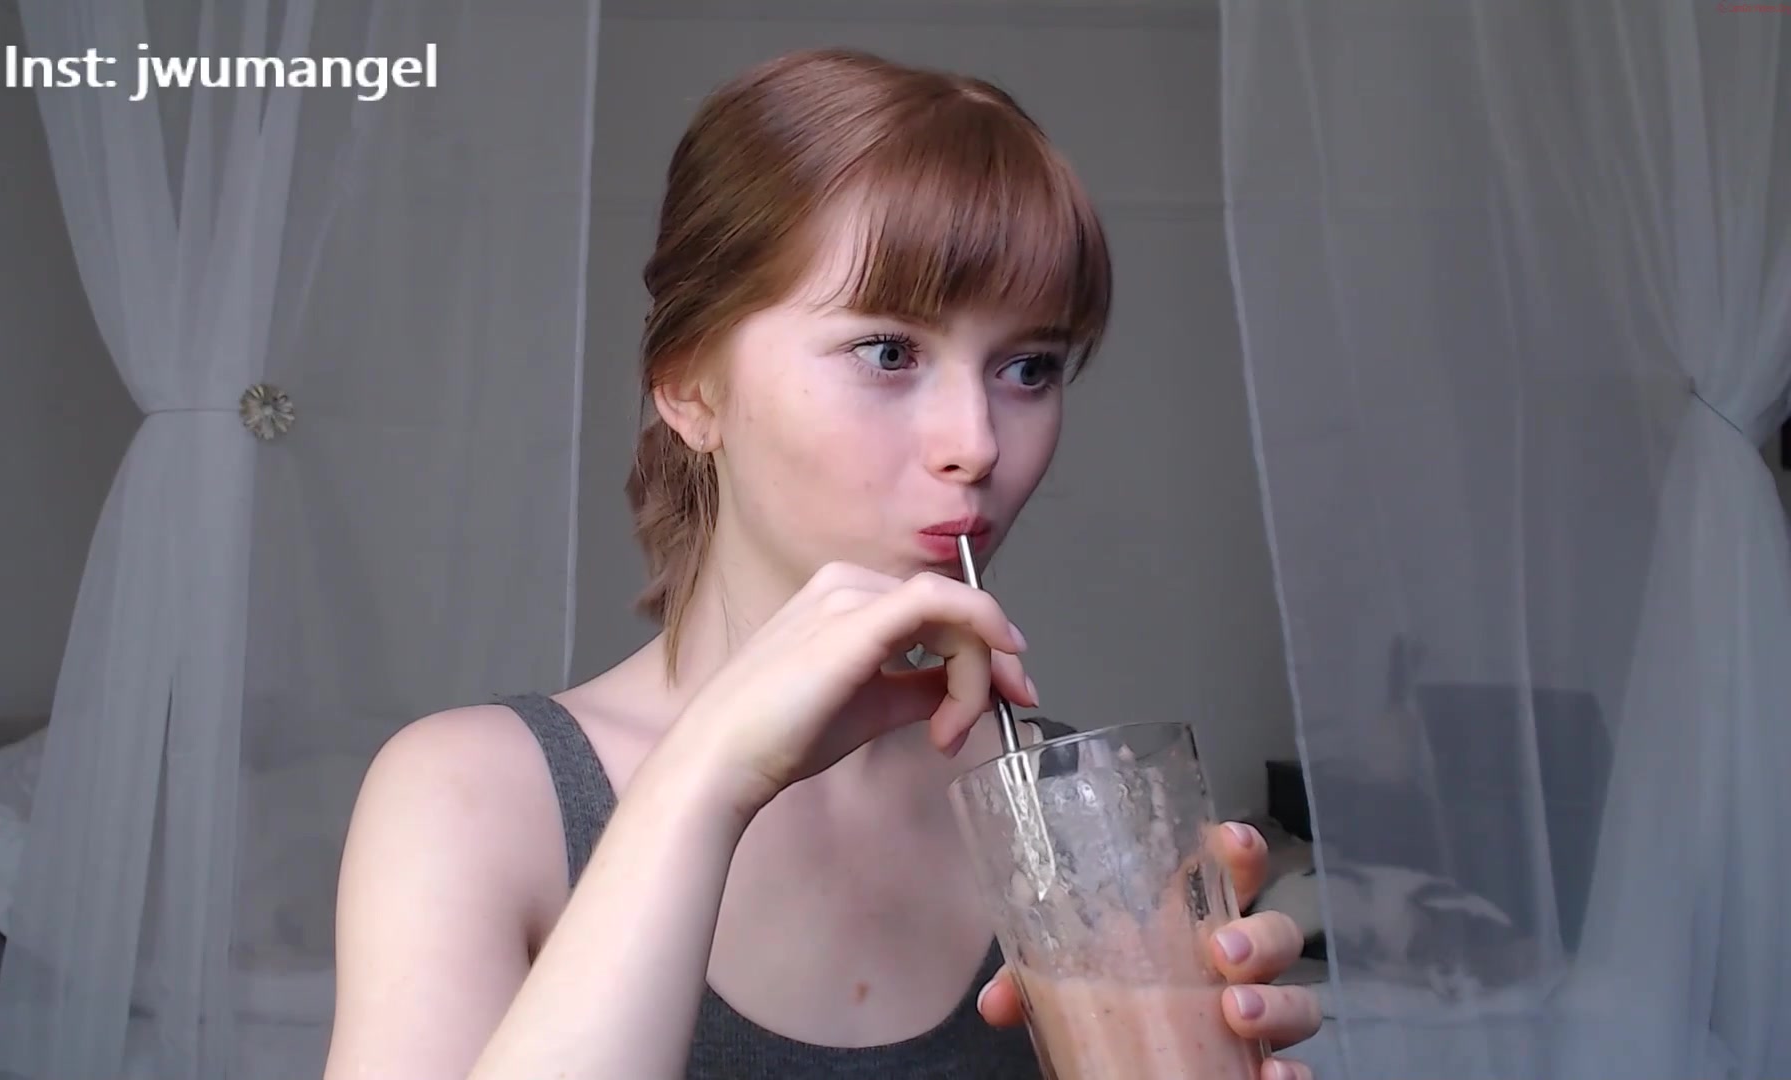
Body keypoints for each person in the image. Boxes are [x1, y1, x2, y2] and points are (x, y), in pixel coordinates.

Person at [322, 47, 1322, 1080]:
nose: (976, 442)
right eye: (889, 352)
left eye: (1030, 367)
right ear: (690, 387)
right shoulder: (473, 800)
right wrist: (705, 781)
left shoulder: (1082, 830)